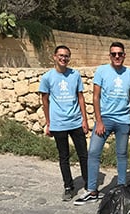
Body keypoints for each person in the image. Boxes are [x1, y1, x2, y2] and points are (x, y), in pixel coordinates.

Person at [75, 41, 130, 205]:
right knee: (94, 152)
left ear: (124, 55)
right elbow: (96, 97)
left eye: (120, 54)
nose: (117, 56)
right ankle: (92, 190)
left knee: (122, 155)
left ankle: (121, 188)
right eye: (114, 54)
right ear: (110, 55)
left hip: (123, 120)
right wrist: (99, 120)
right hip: (105, 119)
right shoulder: (102, 71)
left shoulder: (129, 74)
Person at [39, 45, 89, 201]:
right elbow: (45, 100)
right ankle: (68, 187)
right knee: (64, 156)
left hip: (75, 122)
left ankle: (89, 183)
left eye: (66, 56)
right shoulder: (47, 77)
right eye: (60, 55)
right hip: (58, 123)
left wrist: (84, 119)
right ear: (54, 57)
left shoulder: (75, 75)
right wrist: (48, 122)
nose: (63, 58)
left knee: (84, 155)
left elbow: (80, 97)